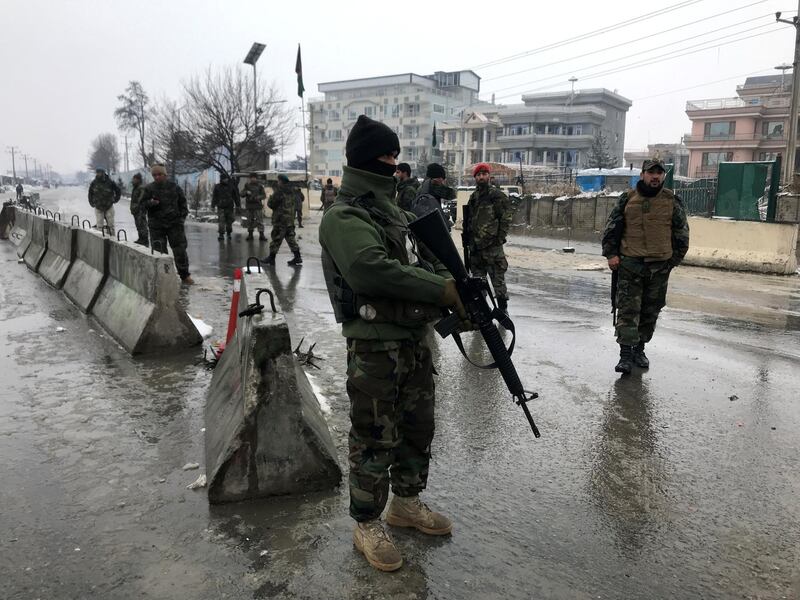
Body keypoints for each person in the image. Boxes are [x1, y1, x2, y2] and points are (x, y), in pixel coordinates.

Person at [319, 115, 467, 572]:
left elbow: (429, 261)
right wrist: (440, 290)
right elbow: (372, 269)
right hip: (374, 346)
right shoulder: (344, 217)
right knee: (373, 435)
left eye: (395, 156)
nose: (391, 163)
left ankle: (405, 503)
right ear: (362, 160)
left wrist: (458, 287)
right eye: (383, 156)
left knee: (417, 427)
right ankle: (366, 523)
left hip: (414, 339)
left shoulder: (398, 213)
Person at [601, 158, 690, 374]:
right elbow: (612, 227)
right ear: (642, 175)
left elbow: (682, 233)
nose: (655, 176)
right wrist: (611, 254)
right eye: (651, 173)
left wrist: (672, 261)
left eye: (659, 173)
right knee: (628, 310)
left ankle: (639, 349)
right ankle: (625, 355)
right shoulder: (628, 199)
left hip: (659, 267)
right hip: (630, 264)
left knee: (650, 311)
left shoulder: (671, 201)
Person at [465, 162, 512, 312]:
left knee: (498, 281)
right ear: (475, 178)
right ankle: (483, 312)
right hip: (476, 249)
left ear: (489, 176)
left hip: (492, 248)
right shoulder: (473, 198)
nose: (481, 177)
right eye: (478, 175)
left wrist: (499, 238)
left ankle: (502, 310)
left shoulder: (496, 196)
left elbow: (505, 218)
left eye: (484, 174)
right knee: (478, 283)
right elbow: (469, 221)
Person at [140, 164, 193, 285]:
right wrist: (151, 203)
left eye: (159, 174)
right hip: (156, 226)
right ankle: (164, 276)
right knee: (159, 251)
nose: (157, 177)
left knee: (180, 250)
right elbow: (142, 205)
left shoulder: (175, 187)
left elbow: (183, 204)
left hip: (174, 225)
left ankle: (184, 275)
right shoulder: (149, 189)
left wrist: (181, 220)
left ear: (165, 174)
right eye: (154, 175)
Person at [264, 174, 302, 266]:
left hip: (280, 220)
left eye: (278, 181)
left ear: (281, 181)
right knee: (290, 239)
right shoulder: (292, 191)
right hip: (290, 220)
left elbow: (271, 204)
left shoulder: (279, 192)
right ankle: (297, 257)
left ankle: (271, 258)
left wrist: (270, 198)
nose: (277, 182)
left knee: (276, 238)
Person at [409, 162, 456, 230]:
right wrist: (442, 185)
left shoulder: (423, 186)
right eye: (442, 178)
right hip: (432, 225)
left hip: (422, 223)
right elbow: (452, 195)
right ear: (437, 178)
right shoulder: (434, 186)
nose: (442, 180)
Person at [88, 168, 121, 233]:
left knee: (111, 225)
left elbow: (118, 190)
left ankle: (112, 240)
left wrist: (115, 199)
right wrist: (91, 202)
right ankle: (101, 241)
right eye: (97, 173)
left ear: (103, 173)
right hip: (98, 207)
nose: (98, 174)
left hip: (109, 206)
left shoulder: (109, 182)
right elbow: (90, 193)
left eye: (99, 172)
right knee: (99, 226)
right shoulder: (94, 182)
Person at [211, 173, 240, 241]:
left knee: (229, 222)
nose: (226, 180)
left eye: (227, 178)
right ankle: (221, 235)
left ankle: (229, 233)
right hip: (221, 207)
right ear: (222, 179)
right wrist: (213, 205)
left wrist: (238, 205)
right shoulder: (217, 187)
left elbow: (235, 197)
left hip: (229, 207)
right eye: (225, 178)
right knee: (221, 221)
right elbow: (214, 197)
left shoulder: (231, 186)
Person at [242, 173, 267, 241]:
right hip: (249, 206)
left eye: (254, 177)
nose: (253, 179)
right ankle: (250, 235)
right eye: (251, 177)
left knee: (260, 221)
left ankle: (261, 235)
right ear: (250, 178)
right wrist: (246, 192)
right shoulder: (247, 185)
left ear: (256, 178)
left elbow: (264, 195)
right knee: (249, 221)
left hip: (257, 206)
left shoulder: (260, 186)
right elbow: (241, 194)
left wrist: (257, 197)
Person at [129, 173, 149, 246]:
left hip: (140, 210)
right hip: (136, 210)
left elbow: (141, 199)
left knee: (142, 225)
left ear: (138, 180)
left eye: (135, 179)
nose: (133, 180)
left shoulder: (141, 188)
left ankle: (145, 240)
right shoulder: (136, 188)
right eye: (133, 179)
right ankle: (141, 238)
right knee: (138, 225)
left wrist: (137, 206)